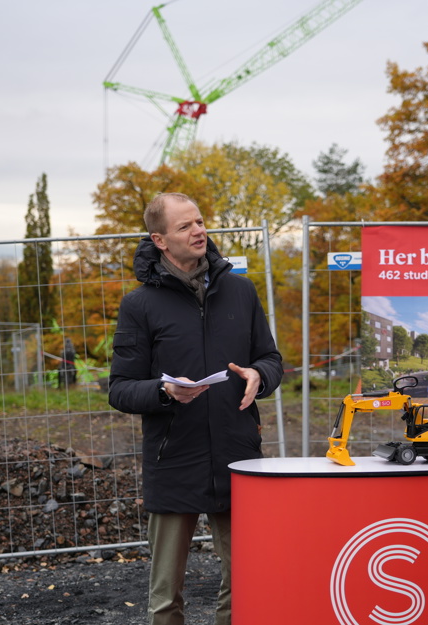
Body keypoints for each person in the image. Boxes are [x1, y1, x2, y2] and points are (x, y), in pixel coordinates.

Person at [108, 192, 284, 625]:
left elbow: (271, 359)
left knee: (246, 580)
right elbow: (120, 389)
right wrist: (165, 391)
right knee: (165, 596)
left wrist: (260, 375)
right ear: (160, 240)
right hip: (174, 458)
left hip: (237, 454)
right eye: (185, 226)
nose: (199, 230)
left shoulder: (241, 291)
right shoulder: (140, 305)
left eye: (201, 221)